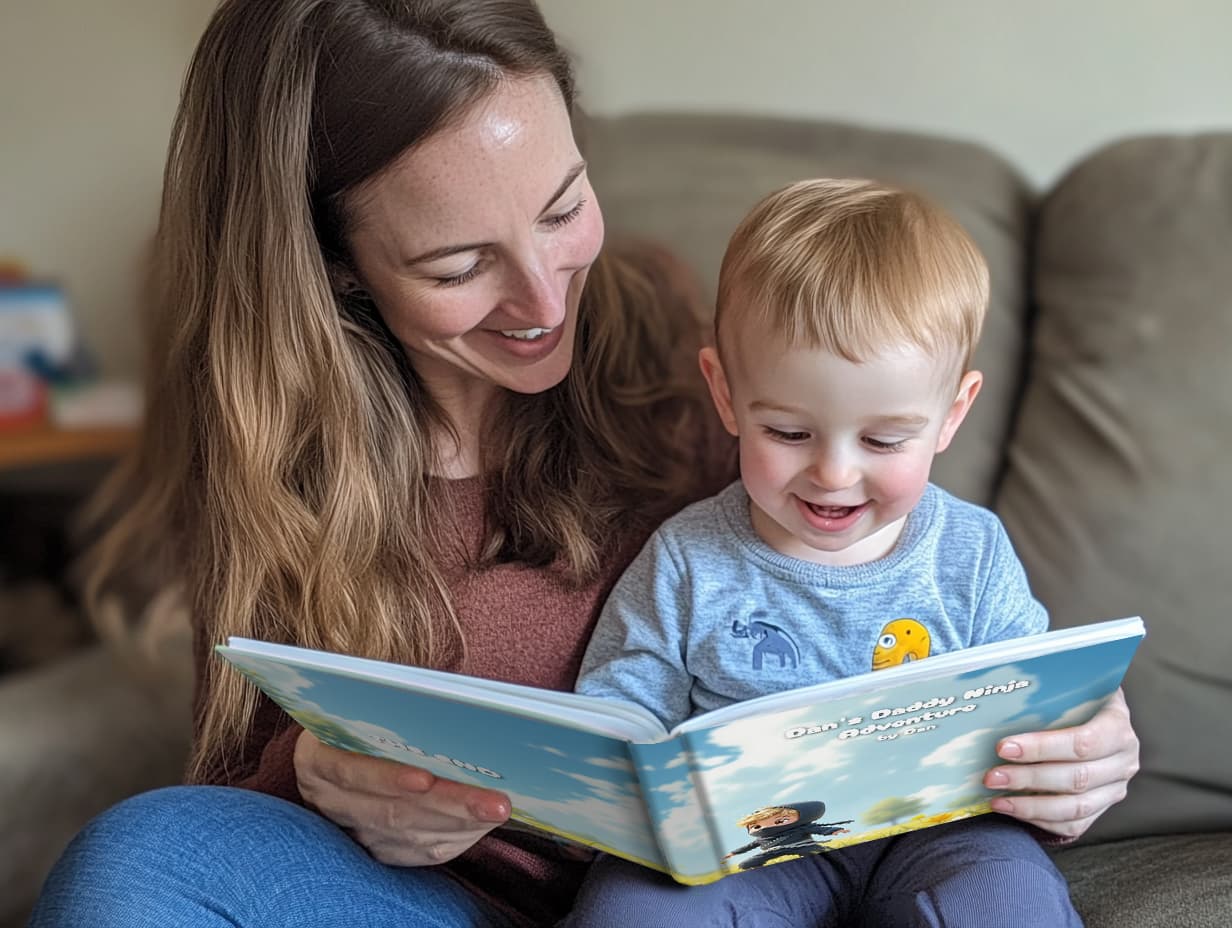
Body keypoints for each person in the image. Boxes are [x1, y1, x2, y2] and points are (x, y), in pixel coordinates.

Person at [27, 2, 1138, 927]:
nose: (546, 299)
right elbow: (236, 767)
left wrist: (1078, 743)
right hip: (441, 896)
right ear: (337, 265)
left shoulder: (682, 344)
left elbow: (941, 625)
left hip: (743, 871)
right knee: (138, 861)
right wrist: (319, 779)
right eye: (459, 264)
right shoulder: (271, 433)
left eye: (562, 206)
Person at [567, 178, 1094, 926]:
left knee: (1007, 900)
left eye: (883, 440)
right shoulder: (689, 559)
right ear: (725, 394)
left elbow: (1031, 713)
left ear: (952, 414)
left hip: (943, 834)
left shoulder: (972, 554)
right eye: (788, 432)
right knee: (632, 911)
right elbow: (622, 718)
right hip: (745, 846)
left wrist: (1052, 757)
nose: (836, 473)